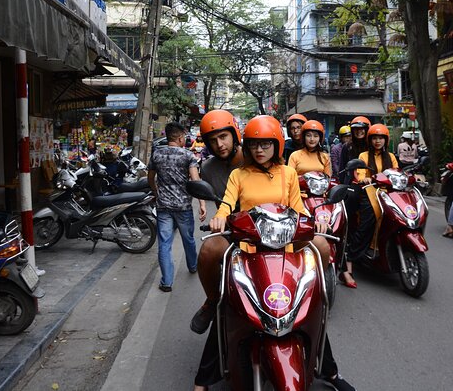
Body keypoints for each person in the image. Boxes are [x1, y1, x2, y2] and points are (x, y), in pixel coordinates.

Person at [194, 115, 354, 391]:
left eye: (266, 144)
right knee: (228, 305)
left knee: (308, 299)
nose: (259, 150)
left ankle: (329, 370)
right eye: (254, 144)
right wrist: (220, 217)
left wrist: (315, 221)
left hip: (284, 244)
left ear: (277, 145)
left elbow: (298, 208)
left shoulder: (288, 173)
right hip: (249, 247)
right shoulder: (238, 174)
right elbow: (227, 205)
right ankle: (206, 374)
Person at [191, 110, 244, 334]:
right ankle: (212, 301)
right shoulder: (208, 168)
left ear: (234, 135)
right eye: (213, 141)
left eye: (223, 137)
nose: (219, 144)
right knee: (207, 251)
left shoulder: (254, 157)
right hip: (231, 228)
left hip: (267, 228)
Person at [148, 122, 207, 293]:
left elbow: (150, 178)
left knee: (164, 244)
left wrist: (155, 191)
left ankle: (166, 282)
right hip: (183, 207)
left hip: (163, 206)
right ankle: (193, 265)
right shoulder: (187, 156)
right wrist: (202, 203)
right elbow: (196, 182)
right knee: (188, 238)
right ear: (180, 137)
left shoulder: (156, 154)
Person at [341, 124, 399, 288]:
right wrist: (365, 178)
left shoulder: (391, 157)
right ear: (370, 140)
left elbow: (396, 172)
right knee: (370, 217)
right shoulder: (364, 155)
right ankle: (351, 258)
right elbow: (360, 174)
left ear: (386, 140)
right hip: (369, 190)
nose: (378, 141)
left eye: (381, 138)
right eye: (374, 138)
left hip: (389, 192)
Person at [339, 116, 371, 184]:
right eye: (356, 129)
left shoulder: (371, 146)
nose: (359, 131)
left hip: (369, 182)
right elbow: (342, 167)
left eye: (362, 129)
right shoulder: (347, 146)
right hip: (350, 183)